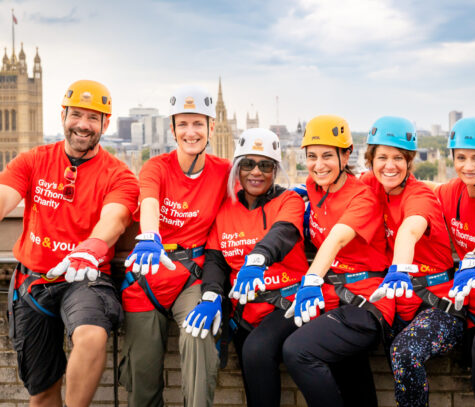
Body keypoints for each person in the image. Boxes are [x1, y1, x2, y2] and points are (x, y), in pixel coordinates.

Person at [2, 79, 139, 407]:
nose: (83, 124)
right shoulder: (33, 160)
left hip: (85, 279)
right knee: (42, 394)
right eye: (76, 114)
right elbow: (5, 196)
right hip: (34, 281)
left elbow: (116, 217)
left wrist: (92, 245)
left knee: (92, 337)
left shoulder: (118, 174)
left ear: (105, 123)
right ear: (63, 115)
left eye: (93, 118)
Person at [119, 85, 231, 407]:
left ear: (212, 127)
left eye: (198, 123)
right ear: (172, 129)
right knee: (141, 378)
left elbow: (257, 193)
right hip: (147, 281)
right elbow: (150, 201)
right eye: (183, 124)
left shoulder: (224, 171)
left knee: (199, 336)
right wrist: (150, 236)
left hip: (190, 278)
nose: (190, 132)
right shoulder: (157, 167)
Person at [183, 128, 310, 407]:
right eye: (247, 164)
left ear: (275, 170)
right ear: (237, 170)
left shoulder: (287, 201)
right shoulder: (226, 208)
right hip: (244, 310)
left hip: (286, 303)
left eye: (265, 165)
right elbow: (215, 258)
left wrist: (257, 260)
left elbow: (283, 233)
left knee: (256, 350)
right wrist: (212, 295)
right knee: (251, 370)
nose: (256, 172)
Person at [282, 115, 393, 407]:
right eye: (312, 157)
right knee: (352, 378)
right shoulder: (314, 185)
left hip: (366, 302)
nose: (319, 165)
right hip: (336, 297)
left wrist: (311, 280)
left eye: (328, 156)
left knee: (298, 350)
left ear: (347, 154)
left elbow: (336, 238)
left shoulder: (362, 197)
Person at [362, 116, 465, 407]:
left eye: (398, 158)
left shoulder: (419, 196)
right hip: (401, 305)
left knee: (405, 351)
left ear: (409, 162)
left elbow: (410, 229)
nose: (389, 165)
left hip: (441, 307)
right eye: (382, 157)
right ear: (371, 159)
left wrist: (399, 268)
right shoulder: (373, 184)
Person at [432, 117, 475, 407]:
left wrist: (473, 260)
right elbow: (416, 188)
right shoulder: (451, 192)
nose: (468, 166)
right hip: (471, 299)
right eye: (461, 158)